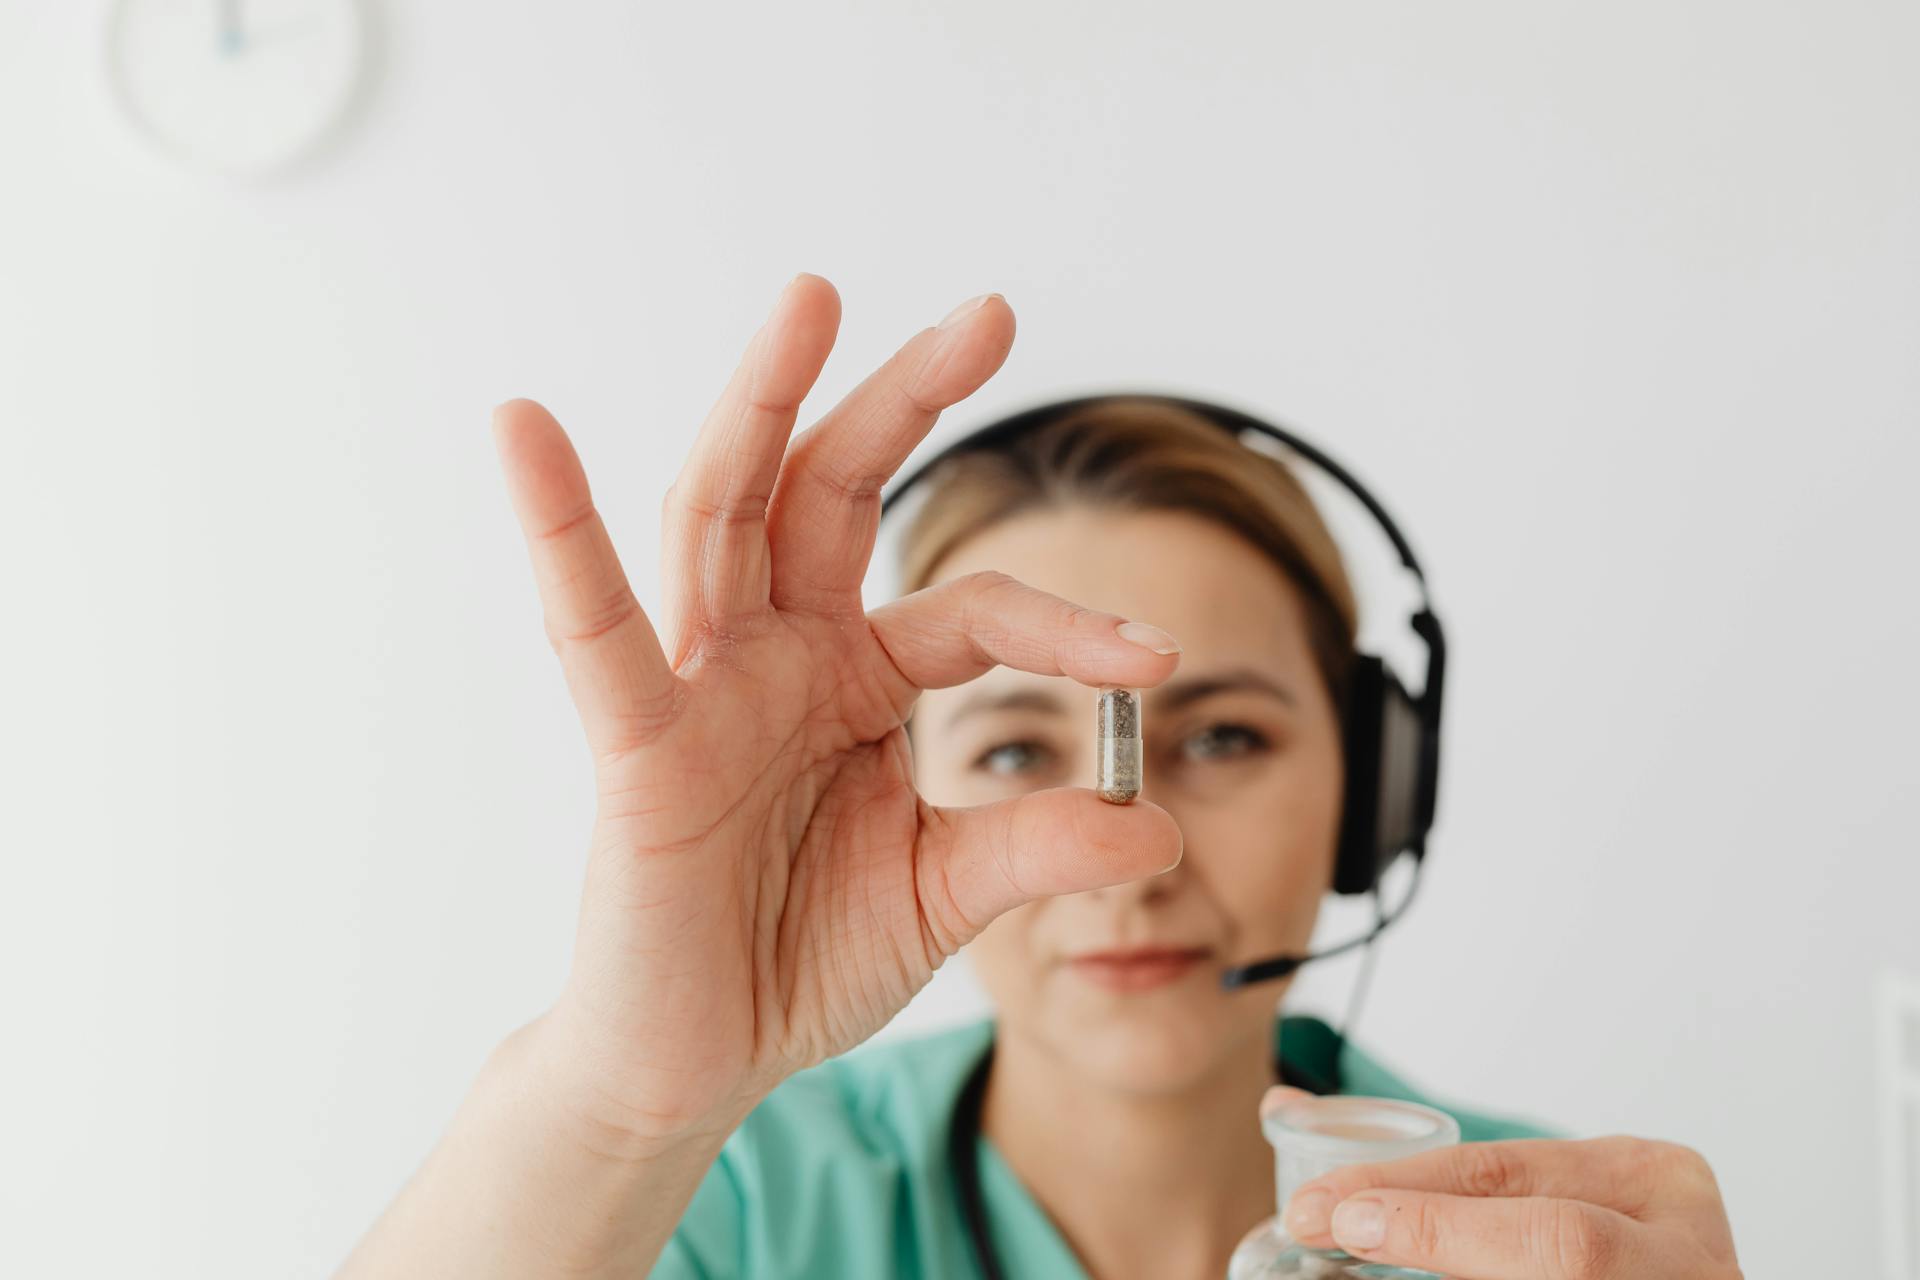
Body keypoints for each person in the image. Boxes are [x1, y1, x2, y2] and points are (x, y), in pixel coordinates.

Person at [337, 275, 1744, 1279]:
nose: (1119, 847)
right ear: (911, 781)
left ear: (1374, 788)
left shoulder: (1547, 1233)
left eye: (1230, 737)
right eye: (1014, 749)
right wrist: (620, 1097)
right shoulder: (730, 1198)